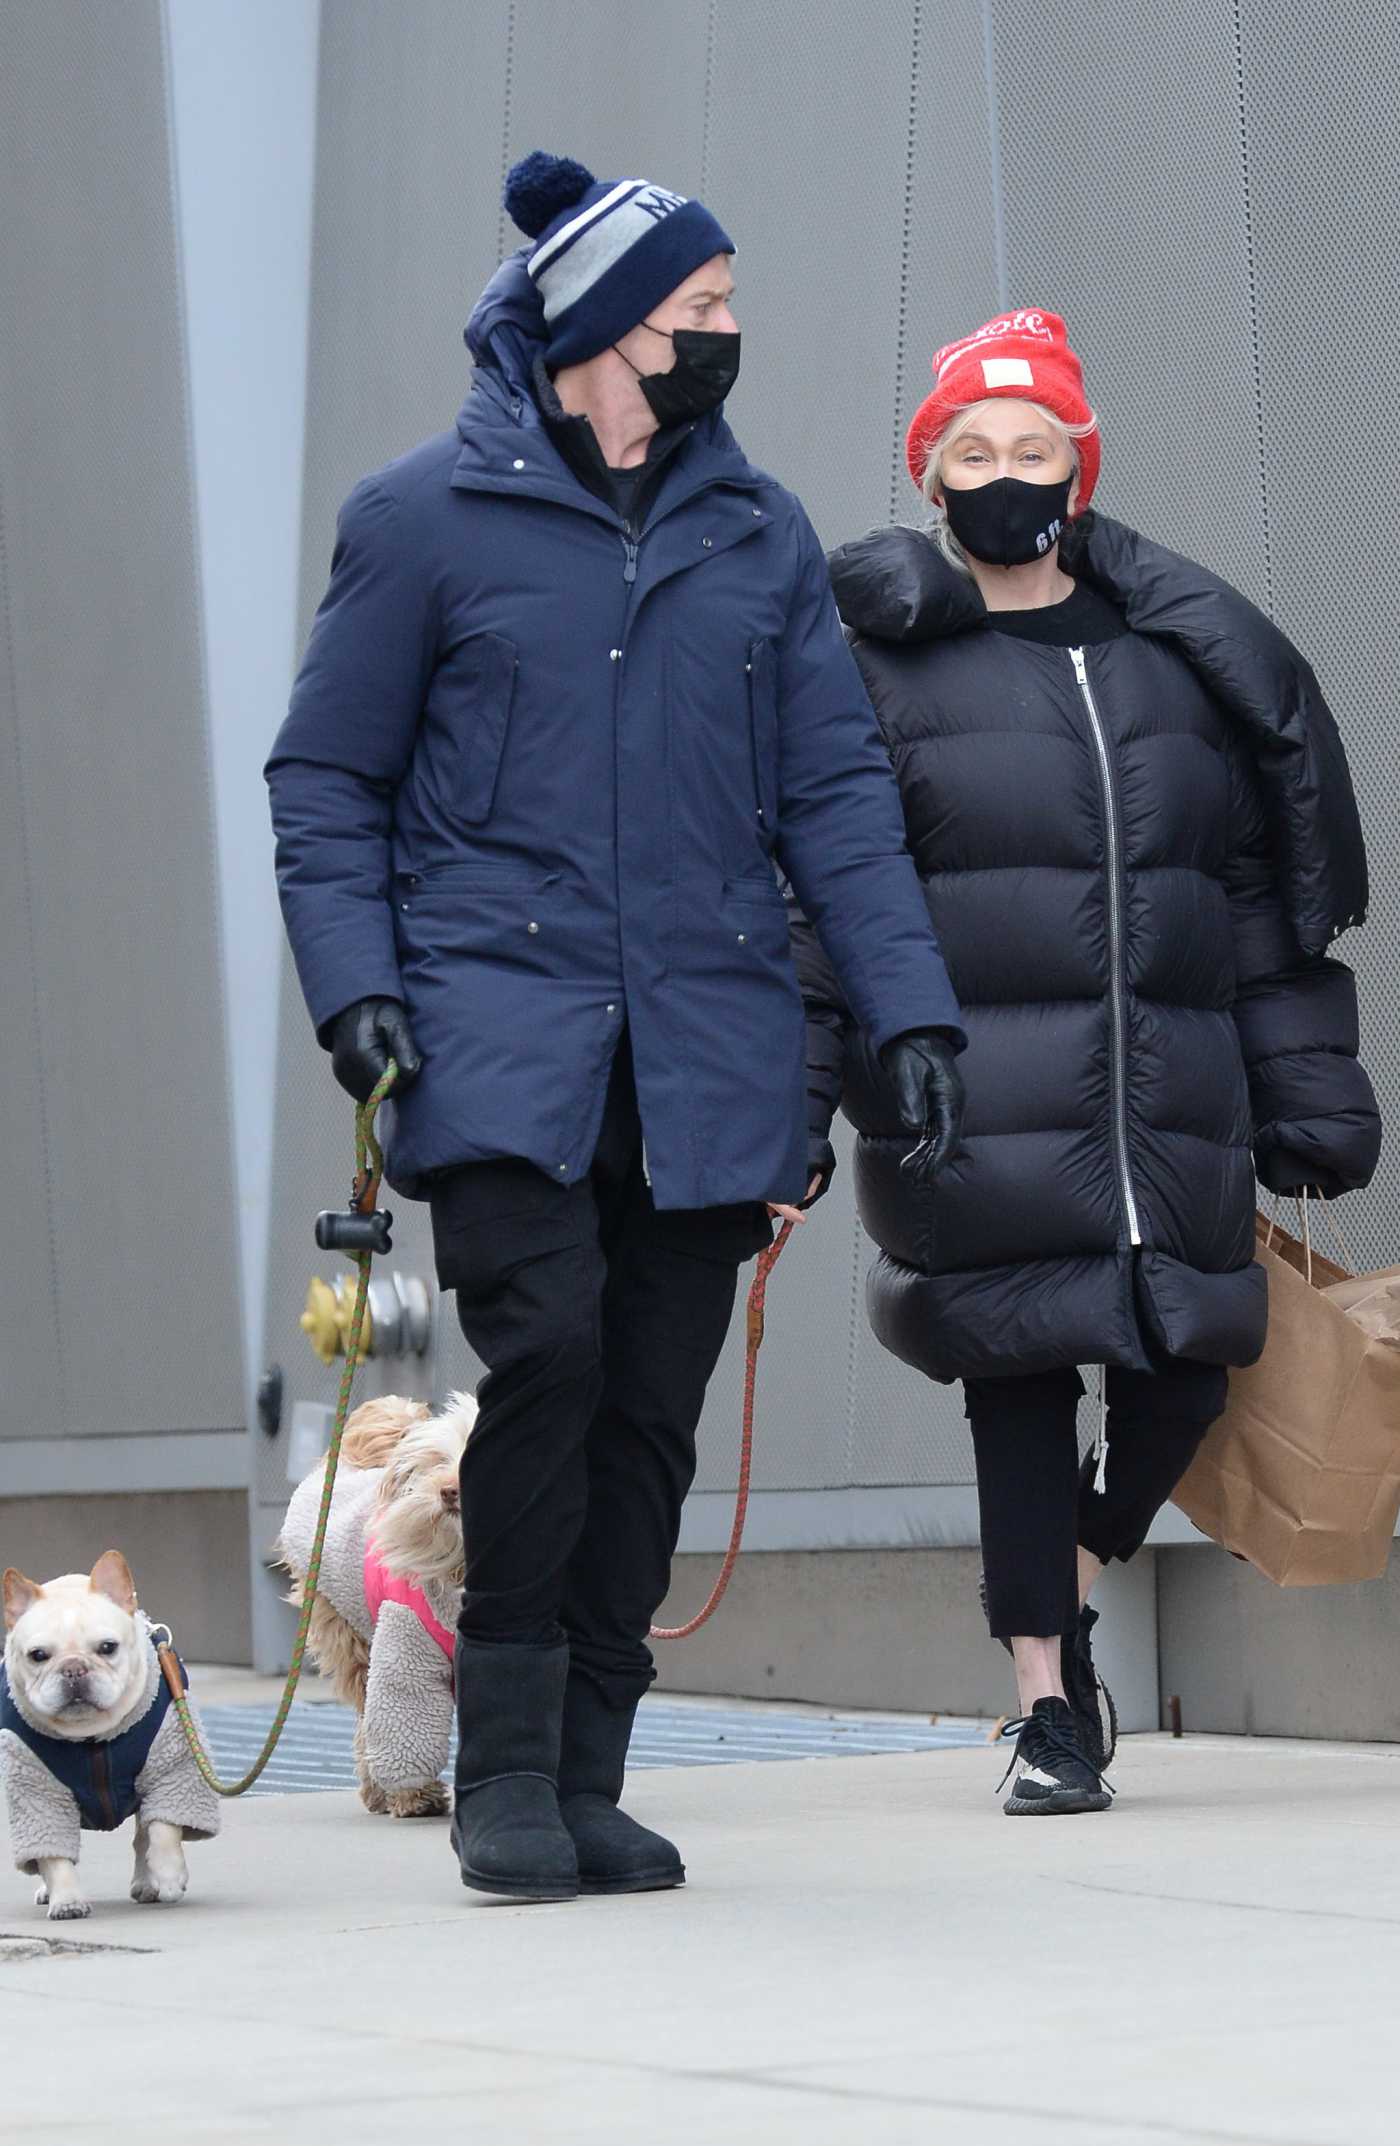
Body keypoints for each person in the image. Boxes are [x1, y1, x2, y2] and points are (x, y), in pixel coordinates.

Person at [265, 152, 966, 1901]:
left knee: (651, 1403)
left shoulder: (759, 533)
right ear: (598, 326)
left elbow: (837, 800)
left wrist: (910, 1008)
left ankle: (590, 1765)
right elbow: (326, 779)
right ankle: (500, 1757)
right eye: (701, 310)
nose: (730, 337)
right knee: (552, 1355)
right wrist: (357, 982)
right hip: (495, 1030)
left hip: (708, 1047)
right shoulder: (421, 518)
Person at [793, 308, 1380, 1815]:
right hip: (976, 1104)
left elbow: (1252, 900)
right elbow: (817, 908)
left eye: (1032, 446)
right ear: (932, 480)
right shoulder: (877, 670)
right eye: (972, 451)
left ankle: (1070, 1564)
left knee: (1188, 1366)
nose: (1004, 473)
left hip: (1172, 1099)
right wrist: (787, 1120)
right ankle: (1047, 1702)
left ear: (1080, 466)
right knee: (1019, 1384)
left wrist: (1308, 1084)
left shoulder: (1176, 667)